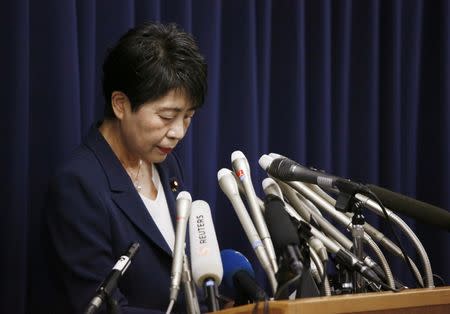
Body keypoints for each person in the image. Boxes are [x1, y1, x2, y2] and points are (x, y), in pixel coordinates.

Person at [44, 22, 207, 313]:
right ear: (120, 104)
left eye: (188, 117)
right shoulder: (78, 184)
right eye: (167, 116)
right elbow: (101, 306)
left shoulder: (168, 167)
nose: (178, 132)